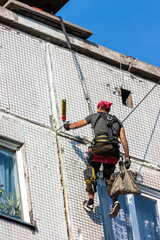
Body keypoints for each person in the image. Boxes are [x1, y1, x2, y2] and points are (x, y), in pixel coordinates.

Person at [64, 100, 130, 218]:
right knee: (109, 177)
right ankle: (115, 201)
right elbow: (124, 140)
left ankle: (90, 202)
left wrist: (67, 126)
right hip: (113, 152)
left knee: (91, 172)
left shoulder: (94, 116)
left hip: (99, 149)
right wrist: (127, 157)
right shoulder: (118, 122)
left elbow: (76, 125)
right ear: (108, 110)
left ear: (100, 108)